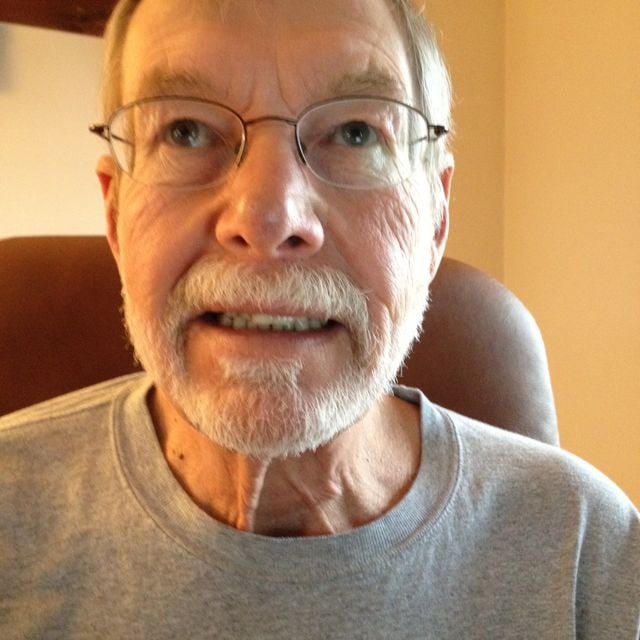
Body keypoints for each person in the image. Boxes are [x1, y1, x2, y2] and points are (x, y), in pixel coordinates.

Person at [1, 0, 638, 637]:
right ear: (116, 216)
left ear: (435, 219)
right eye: (187, 131)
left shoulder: (589, 556)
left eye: (356, 132)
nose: (269, 218)